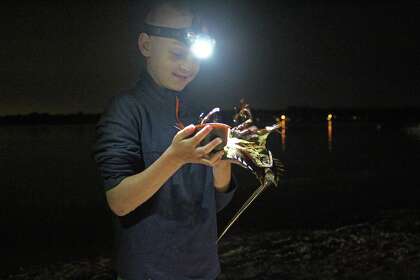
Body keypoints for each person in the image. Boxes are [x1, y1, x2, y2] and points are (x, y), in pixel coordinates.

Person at [92, 1, 237, 279]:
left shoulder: (198, 111)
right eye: (177, 53)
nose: (187, 65)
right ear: (146, 46)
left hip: (205, 270)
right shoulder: (125, 108)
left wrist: (222, 162)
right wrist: (176, 157)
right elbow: (119, 201)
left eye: (195, 57)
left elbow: (217, 202)